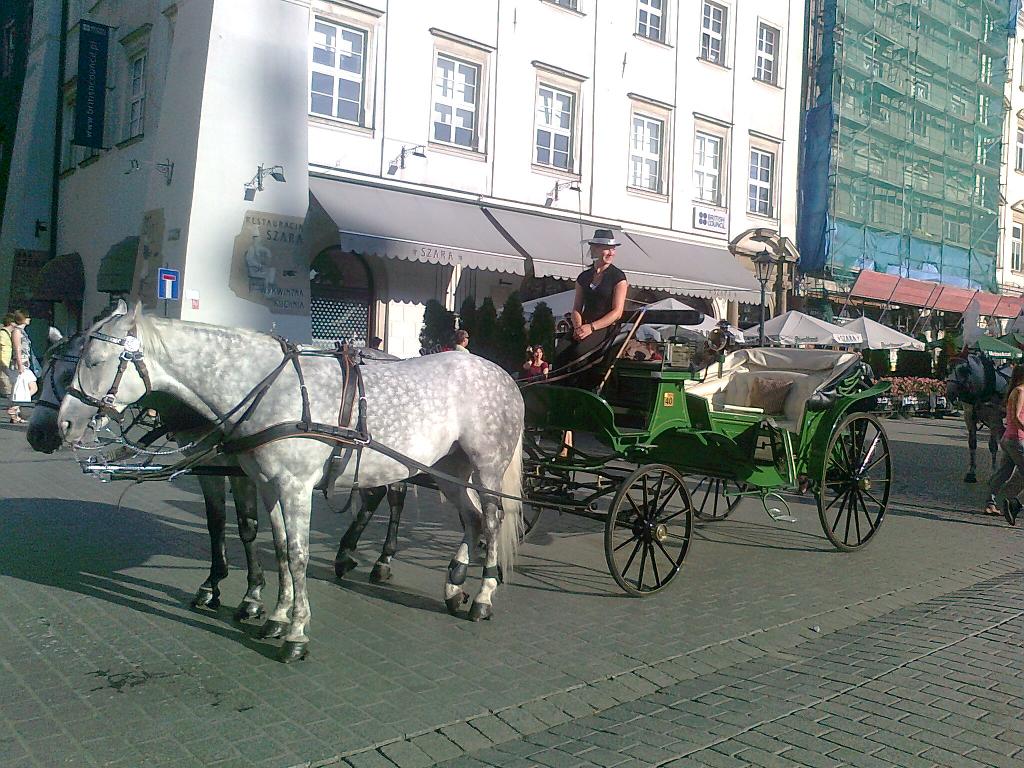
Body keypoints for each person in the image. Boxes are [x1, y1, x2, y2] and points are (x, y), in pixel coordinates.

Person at [553, 228, 629, 381]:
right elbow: (576, 308)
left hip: (605, 327)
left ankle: (580, 389)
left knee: (579, 353)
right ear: (595, 249)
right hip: (582, 326)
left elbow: (617, 312)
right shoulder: (584, 277)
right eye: (607, 249)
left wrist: (591, 327)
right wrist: (578, 327)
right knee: (559, 351)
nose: (611, 253)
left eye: (613, 249)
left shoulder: (618, 278)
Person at [985, 364, 1024, 525]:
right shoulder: (1020, 391)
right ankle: (1013, 502)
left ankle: (990, 503)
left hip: (1009, 439)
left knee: (1003, 473)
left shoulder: (1016, 390)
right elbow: (1016, 417)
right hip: (1017, 439)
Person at [7, 309, 37, 423]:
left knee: (33, 387)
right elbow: (17, 349)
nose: (29, 319)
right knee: (20, 389)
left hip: (26, 363)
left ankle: (15, 409)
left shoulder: (22, 332)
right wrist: (20, 365)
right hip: (20, 364)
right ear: (23, 319)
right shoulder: (17, 332)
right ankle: (14, 410)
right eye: (27, 317)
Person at [0, 313, 14, 401]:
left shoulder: (8, 334)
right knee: (6, 385)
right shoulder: (2, 334)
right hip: (2, 363)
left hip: (5, 363)